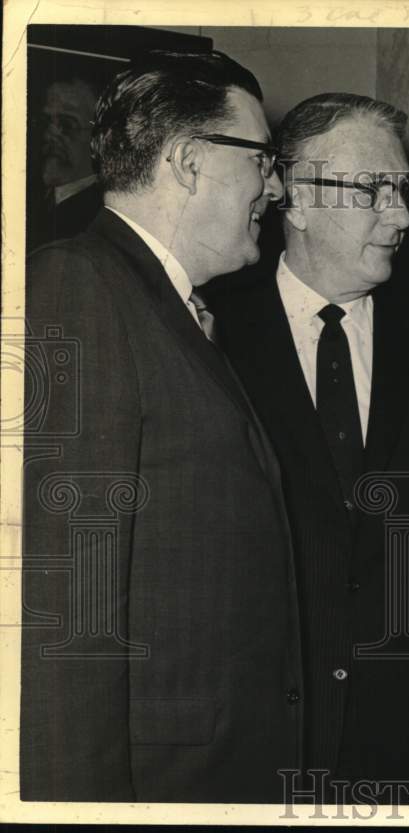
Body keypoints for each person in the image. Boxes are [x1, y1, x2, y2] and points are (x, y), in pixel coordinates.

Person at [21, 50, 299, 803]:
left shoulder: (173, 309)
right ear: (186, 160)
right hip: (151, 781)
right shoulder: (78, 285)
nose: (273, 188)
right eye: (262, 160)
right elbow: (68, 605)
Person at [207, 92, 409, 800]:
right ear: (295, 200)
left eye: (402, 190)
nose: (401, 215)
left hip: (405, 753)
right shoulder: (207, 340)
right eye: (374, 190)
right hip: (250, 745)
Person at [28, 75, 104, 251]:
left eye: (67, 124)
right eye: (45, 122)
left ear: (99, 137)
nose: (49, 135)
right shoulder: (27, 192)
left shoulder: (100, 215)